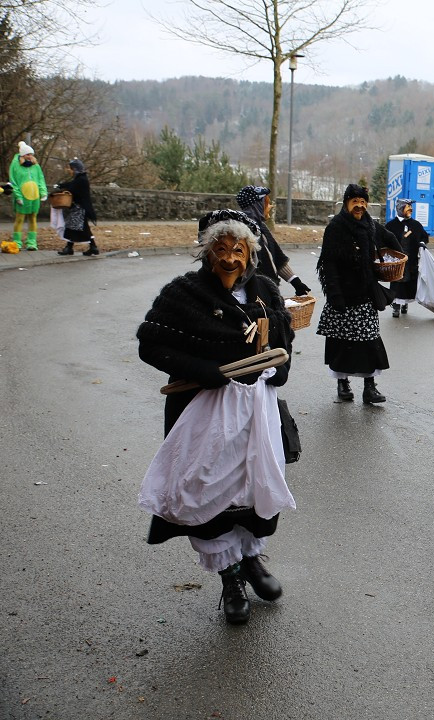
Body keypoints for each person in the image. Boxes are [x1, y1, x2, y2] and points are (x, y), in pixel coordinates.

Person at [137, 209, 295, 625]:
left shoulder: (265, 290)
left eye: (238, 250)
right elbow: (149, 346)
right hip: (202, 411)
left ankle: (252, 559)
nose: (230, 259)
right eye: (221, 249)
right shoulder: (183, 294)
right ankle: (229, 577)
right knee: (209, 489)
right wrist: (200, 371)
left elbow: (284, 340)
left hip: (257, 411)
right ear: (207, 253)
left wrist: (280, 368)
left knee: (253, 484)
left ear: (251, 254)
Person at [315, 184, 401, 404]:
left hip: (365, 294)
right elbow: (328, 264)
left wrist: (399, 253)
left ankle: (369, 388)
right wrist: (335, 295)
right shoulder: (335, 227)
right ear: (346, 203)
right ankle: (342, 383)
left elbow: (389, 237)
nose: (360, 206)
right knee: (341, 343)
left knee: (370, 342)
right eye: (355, 201)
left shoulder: (370, 225)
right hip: (343, 294)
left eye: (363, 202)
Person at [235, 185, 312, 297]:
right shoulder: (243, 230)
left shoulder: (262, 227)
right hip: (250, 292)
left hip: (268, 289)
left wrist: (296, 282)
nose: (270, 206)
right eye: (267, 202)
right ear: (258, 205)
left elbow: (277, 258)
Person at [386, 197, 430, 318]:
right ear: (400, 209)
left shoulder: (415, 225)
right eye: (407, 207)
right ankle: (396, 306)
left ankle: (405, 304)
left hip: (411, 261)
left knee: (409, 283)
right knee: (397, 283)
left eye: (411, 207)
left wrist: (422, 242)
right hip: (397, 261)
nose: (410, 209)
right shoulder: (391, 226)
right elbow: (383, 240)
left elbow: (424, 236)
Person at [54, 158, 99, 256]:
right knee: (72, 227)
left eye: (71, 169)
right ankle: (71, 248)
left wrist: (59, 189)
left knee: (80, 228)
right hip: (79, 208)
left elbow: (71, 188)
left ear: (75, 169)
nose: (69, 171)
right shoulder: (80, 178)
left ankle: (92, 247)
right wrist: (61, 185)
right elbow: (71, 184)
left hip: (80, 208)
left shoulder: (81, 180)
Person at [8, 141, 47, 251]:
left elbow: (40, 179)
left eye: (31, 154)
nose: (30, 156)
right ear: (22, 155)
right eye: (27, 154)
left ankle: (31, 242)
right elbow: (13, 182)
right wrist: (18, 196)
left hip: (34, 196)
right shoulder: (15, 166)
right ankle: (17, 242)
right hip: (22, 197)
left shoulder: (36, 166)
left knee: (33, 218)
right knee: (19, 219)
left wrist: (43, 192)